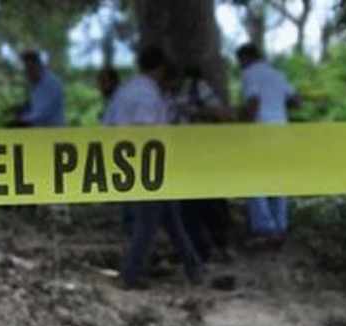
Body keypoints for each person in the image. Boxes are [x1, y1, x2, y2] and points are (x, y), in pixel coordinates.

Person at [104, 46, 204, 290]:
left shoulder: (131, 89)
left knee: (171, 219)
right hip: (144, 165)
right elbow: (144, 132)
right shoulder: (145, 94)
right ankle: (131, 274)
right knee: (147, 223)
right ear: (159, 68)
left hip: (139, 163)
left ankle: (194, 268)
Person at [167, 64, 234, 263]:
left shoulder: (198, 88)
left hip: (204, 154)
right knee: (187, 206)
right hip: (180, 156)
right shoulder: (163, 95)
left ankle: (222, 246)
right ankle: (198, 251)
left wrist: (194, 111)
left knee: (212, 203)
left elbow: (222, 114)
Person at [236, 44, 300, 248]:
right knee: (278, 179)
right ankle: (280, 226)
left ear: (246, 58)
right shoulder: (277, 74)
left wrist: (243, 122)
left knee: (254, 179)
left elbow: (253, 101)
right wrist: (278, 106)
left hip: (260, 132)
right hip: (281, 132)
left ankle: (265, 228)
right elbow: (297, 101)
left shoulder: (249, 74)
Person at [13, 50, 66, 128]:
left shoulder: (50, 83)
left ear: (37, 65)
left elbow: (42, 114)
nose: (27, 73)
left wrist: (22, 119)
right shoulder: (36, 84)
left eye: (29, 68)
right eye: (26, 69)